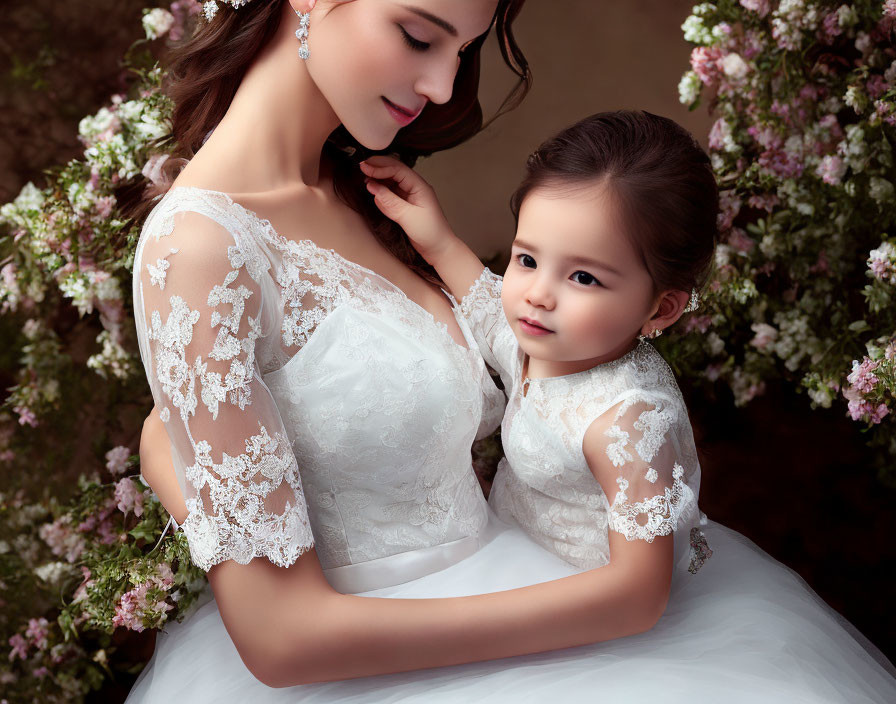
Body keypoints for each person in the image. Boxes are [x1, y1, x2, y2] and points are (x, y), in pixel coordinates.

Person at [128, 0, 896, 700]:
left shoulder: (358, 187)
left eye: (462, 51)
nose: (439, 85)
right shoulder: (201, 248)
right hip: (403, 659)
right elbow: (281, 637)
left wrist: (167, 449)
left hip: (522, 573)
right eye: (419, 35)